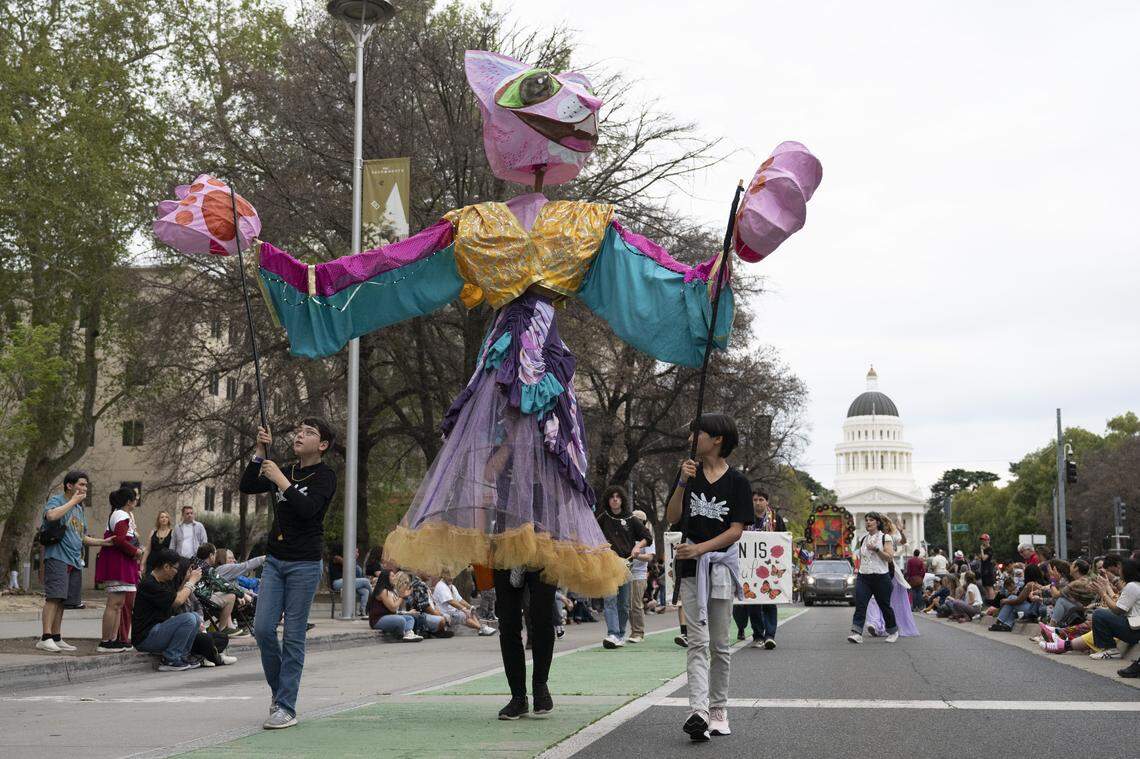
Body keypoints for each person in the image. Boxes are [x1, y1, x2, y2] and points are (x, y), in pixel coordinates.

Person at [240, 418, 338, 730]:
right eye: (299, 430)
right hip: (276, 561)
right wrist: (259, 451)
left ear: (322, 445)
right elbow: (246, 485)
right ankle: (280, 692)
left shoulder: (325, 476)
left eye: (309, 433)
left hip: (304, 564)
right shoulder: (283, 469)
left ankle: (286, 706)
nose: (300, 435)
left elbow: (309, 510)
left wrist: (282, 480)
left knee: (294, 636)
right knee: (264, 629)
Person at [665, 413, 753, 741]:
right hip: (691, 570)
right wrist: (682, 484)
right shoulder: (688, 473)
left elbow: (735, 531)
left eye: (698, 432)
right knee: (697, 642)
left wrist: (701, 548)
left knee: (720, 644)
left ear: (717, 439)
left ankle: (718, 709)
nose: (693, 438)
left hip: (720, 568)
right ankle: (698, 711)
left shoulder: (739, 483)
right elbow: (673, 516)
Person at [37, 471, 112, 653]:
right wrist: (72, 502)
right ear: (69, 485)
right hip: (57, 557)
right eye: (81, 484)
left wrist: (103, 543)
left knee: (63, 600)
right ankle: (45, 637)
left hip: (74, 559)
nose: (84, 488)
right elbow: (51, 516)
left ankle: (56, 636)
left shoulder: (79, 509)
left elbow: (81, 537)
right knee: (54, 597)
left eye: (86, 485)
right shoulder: (58, 500)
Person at [1040, 559, 1140, 659]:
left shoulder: (1132, 586)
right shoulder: (1133, 585)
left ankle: (1108, 648)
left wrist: (1103, 593)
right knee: (1098, 614)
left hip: (1133, 630)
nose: (1119, 571)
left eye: (1120, 569)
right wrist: (1106, 587)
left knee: (1099, 614)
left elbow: (1118, 609)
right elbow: (1117, 602)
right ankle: (1061, 636)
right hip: (1131, 627)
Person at [132, 548, 205, 670]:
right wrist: (192, 581)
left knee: (196, 618)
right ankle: (170, 659)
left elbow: (174, 599)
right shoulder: (149, 584)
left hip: (157, 631)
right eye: (175, 568)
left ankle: (182, 656)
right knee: (189, 619)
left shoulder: (164, 582)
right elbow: (178, 601)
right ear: (166, 567)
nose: (176, 572)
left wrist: (186, 580)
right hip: (145, 638)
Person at [597, 486, 650, 649]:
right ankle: (612, 633)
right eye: (612, 497)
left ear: (622, 500)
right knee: (609, 600)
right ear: (607, 500)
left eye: (618, 497)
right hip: (607, 563)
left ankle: (619, 634)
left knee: (623, 604)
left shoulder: (631, 519)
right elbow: (592, 534)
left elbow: (647, 537)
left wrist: (637, 547)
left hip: (626, 564)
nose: (614, 499)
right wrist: (600, 547)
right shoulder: (603, 518)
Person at [94, 487, 144, 652]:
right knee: (114, 603)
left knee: (119, 603)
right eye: (135, 499)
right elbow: (120, 540)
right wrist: (136, 551)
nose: (136, 501)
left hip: (123, 562)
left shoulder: (120, 514)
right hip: (119, 563)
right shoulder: (121, 515)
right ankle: (106, 641)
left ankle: (114, 639)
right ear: (129, 501)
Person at [733, 490, 781, 649]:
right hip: (750, 567)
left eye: (761, 499)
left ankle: (770, 635)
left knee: (769, 601)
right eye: (755, 499)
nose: (758, 502)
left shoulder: (776, 519)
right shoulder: (745, 518)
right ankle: (758, 635)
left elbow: (783, 539)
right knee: (753, 602)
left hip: (770, 565)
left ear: (767, 502)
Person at [847, 512, 898, 644]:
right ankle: (857, 633)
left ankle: (893, 631)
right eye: (866, 520)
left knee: (884, 605)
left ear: (878, 523)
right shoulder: (863, 539)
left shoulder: (885, 538)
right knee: (860, 604)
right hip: (864, 576)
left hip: (881, 576)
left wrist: (876, 550)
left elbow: (889, 557)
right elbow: (860, 557)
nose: (868, 523)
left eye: (871, 520)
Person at [864, 518, 919, 637]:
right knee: (873, 598)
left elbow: (903, 541)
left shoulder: (891, 537)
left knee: (886, 599)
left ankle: (884, 625)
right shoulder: (871, 536)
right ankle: (874, 623)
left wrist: (901, 531)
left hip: (889, 570)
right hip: (873, 570)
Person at [192, 543, 252, 635]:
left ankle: (229, 625)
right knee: (231, 596)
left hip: (193, 600)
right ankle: (223, 629)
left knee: (226, 593)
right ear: (211, 555)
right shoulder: (206, 568)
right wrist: (243, 594)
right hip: (202, 602)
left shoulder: (193, 563)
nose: (216, 557)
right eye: (215, 554)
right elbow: (223, 584)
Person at [433, 570, 497, 635]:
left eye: (453, 576)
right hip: (444, 613)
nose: (452, 578)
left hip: (452, 611)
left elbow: (460, 599)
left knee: (471, 611)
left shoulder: (452, 586)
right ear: (443, 575)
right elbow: (451, 601)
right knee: (463, 614)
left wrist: (470, 607)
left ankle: (480, 629)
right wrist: (463, 609)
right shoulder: (441, 586)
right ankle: (481, 628)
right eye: (449, 576)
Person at [367, 570, 422, 642]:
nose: (395, 578)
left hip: (389, 617)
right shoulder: (383, 591)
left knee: (410, 618)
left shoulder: (391, 591)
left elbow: (395, 610)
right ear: (386, 578)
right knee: (401, 620)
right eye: (392, 576)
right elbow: (393, 608)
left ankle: (408, 633)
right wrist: (402, 597)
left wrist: (406, 611)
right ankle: (402, 633)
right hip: (378, 620)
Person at [989, 563, 1046, 631]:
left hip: (1032, 611)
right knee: (1013, 606)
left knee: (1012, 598)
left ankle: (999, 621)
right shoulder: (1041, 583)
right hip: (1036, 609)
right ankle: (1007, 625)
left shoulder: (1030, 584)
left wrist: (1005, 601)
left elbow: (1019, 600)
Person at [627, 509, 655, 643]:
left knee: (636, 603)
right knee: (627, 604)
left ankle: (638, 633)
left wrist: (638, 555)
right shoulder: (628, 535)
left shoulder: (647, 537)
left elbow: (649, 557)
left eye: (638, 521)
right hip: (625, 574)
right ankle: (633, 631)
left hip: (639, 575)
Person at [329, 544, 371, 618]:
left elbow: (356, 572)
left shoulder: (344, 558)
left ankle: (362, 611)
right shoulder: (336, 558)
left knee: (365, 591)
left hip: (346, 582)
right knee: (366, 581)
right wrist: (352, 556)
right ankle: (376, 598)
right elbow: (348, 564)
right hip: (337, 582)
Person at [977, 534, 996, 602]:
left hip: (988, 570)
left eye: (984, 540)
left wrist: (981, 550)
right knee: (985, 586)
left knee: (989, 587)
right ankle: (988, 601)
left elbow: (984, 558)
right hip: (984, 570)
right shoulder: (985, 549)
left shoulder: (989, 549)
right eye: (982, 540)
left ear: (988, 540)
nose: (983, 542)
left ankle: (992, 601)